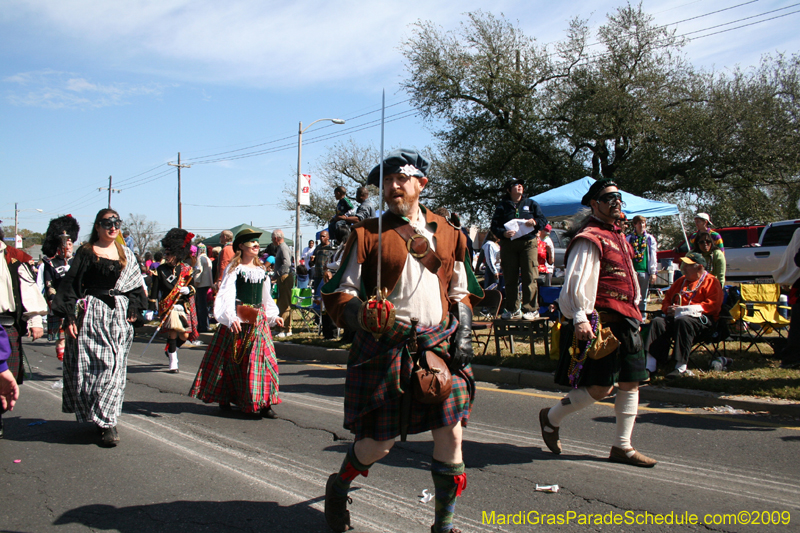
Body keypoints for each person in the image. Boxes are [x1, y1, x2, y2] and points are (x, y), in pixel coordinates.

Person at [321, 148, 483, 533]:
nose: (393, 187)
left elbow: (461, 288)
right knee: (379, 444)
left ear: (420, 184)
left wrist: (464, 330)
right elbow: (339, 293)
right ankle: (339, 484)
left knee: (451, 434)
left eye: (401, 180)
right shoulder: (365, 233)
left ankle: (443, 526)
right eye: (387, 182)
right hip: (386, 346)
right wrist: (362, 315)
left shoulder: (449, 233)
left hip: (439, 345)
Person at [539, 179, 656, 468]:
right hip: (601, 322)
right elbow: (577, 281)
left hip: (627, 320)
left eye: (619, 198)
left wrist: (637, 311)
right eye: (609, 198)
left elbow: (630, 278)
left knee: (631, 382)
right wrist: (580, 317)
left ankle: (622, 447)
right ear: (594, 204)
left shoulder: (620, 237)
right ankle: (551, 417)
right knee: (601, 388)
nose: (616, 203)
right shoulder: (590, 237)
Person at [53, 209, 147, 446]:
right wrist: (69, 318)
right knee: (96, 371)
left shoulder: (125, 253)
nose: (113, 227)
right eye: (107, 223)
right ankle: (97, 415)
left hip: (118, 316)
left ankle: (108, 423)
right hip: (92, 315)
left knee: (114, 369)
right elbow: (71, 286)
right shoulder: (86, 252)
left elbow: (136, 288)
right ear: (97, 226)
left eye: (116, 223)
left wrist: (134, 308)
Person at [189, 229, 284, 417]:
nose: (256, 246)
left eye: (257, 243)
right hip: (240, 318)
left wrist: (274, 315)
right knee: (232, 362)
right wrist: (230, 317)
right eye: (251, 243)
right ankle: (229, 397)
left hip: (258, 320)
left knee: (264, 361)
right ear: (241, 246)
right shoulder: (234, 269)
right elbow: (226, 294)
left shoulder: (261, 270)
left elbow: (266, 297)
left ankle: (264, 403)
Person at [0, 225, 47, 439]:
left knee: (4, 379)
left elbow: (28, 291)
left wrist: (36, 320)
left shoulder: (14, 258)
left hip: (6, 325)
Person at [645, 252, 724, 378]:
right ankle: (650, 365)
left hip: (700, 321)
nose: (683, 268)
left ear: (699, 267)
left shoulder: (712, 282)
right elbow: (667, 300)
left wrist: (685, 310)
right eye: (683, 265)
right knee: (657, 322)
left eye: (688, 265)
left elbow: (713, 306)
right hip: (676, 318)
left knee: (683, 321)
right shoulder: (680, 281)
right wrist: (668, 309)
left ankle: (680, 367)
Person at [490, 178, 548, 320]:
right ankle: (512, 309)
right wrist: (503, 233)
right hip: (509, 244)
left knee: (530, 275)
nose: (519, 186)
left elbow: (543, 221)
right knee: (510, 278)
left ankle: (531, 309)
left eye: (521, 184)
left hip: (528, 243)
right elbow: (494, 226)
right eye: (515, 185)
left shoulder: (531, 204)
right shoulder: (502, 206)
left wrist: (535, 222)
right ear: (509, 190)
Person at [152, 229, 197, 373]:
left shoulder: (186, 269)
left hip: (183, 305)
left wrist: (188, 290)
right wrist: (152, 305)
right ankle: (173, 361)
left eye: (169, 254)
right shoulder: (161, 269)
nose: (167, 257)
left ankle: (172, 349)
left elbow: (193, 288)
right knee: (172, 332)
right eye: (166, 254)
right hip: (169, 305)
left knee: (184, 335)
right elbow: (156, 289)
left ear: (178, 254)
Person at [41, 215, 80, 359]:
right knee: (62, 340)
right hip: (59, 303)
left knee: (77, 339)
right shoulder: (50, 263)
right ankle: (64, 365)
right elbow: (49, 284)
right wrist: (53, 302)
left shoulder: (78, 260)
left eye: (69, 244)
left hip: (76, 303)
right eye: (64, 244)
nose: (67, 247)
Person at [627, 216, 658, 319]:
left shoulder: (649, 239)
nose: (642, 225)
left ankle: (642, 318)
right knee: (632, 296)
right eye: (639, 223)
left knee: (643, 298)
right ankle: (632, 317)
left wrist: (653, 272)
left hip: (645, 272)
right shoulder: (629, 238)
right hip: (632, 272)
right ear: (635, 225)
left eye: (643, 223)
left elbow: (653, 256)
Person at [272, 229, 294, 338]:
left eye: (272, 238)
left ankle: (286, 329)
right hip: (282, 276)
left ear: (276, 238)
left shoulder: (283, 247)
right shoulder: (280, 248)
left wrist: (277, 275)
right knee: (280, 303)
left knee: (285, 303)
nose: (272, 240)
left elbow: (287, 263)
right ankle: (279, 327)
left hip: (285, 276)